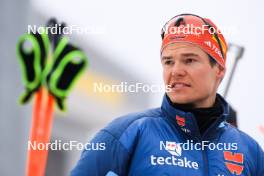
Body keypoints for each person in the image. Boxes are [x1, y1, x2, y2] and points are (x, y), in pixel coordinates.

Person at [71, 14, 264, 176]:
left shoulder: (250, 150)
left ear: (219, 70)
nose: (176, 71)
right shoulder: (126, 133)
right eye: (168, 62)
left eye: (189, 60)